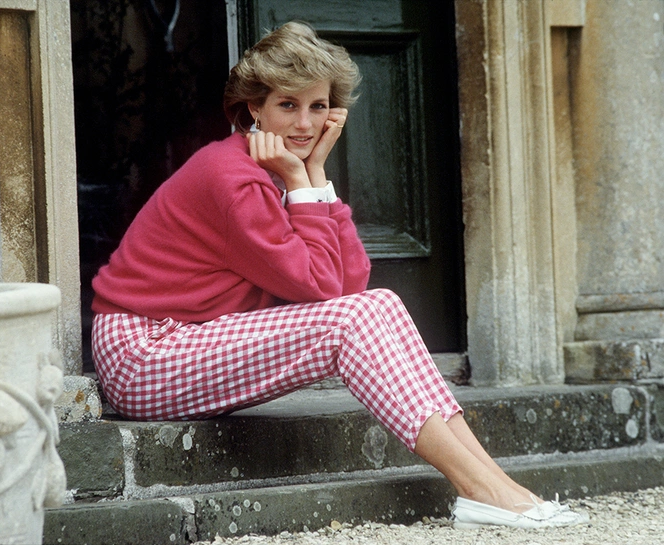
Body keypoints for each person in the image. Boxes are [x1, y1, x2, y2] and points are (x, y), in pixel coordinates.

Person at [90, 21, 587, 529]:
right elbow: (323, 290)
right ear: (254, 108)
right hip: (143, 354)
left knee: (381, 303)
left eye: (318, 106)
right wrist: (300, 176)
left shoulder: (278, 168)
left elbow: (351, 284)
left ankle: (497, 485)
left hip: (191, 338)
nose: (305, 124)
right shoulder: (233, 178)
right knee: (351, 320)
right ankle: (479, 488)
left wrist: (315, 174)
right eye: (288, 105)